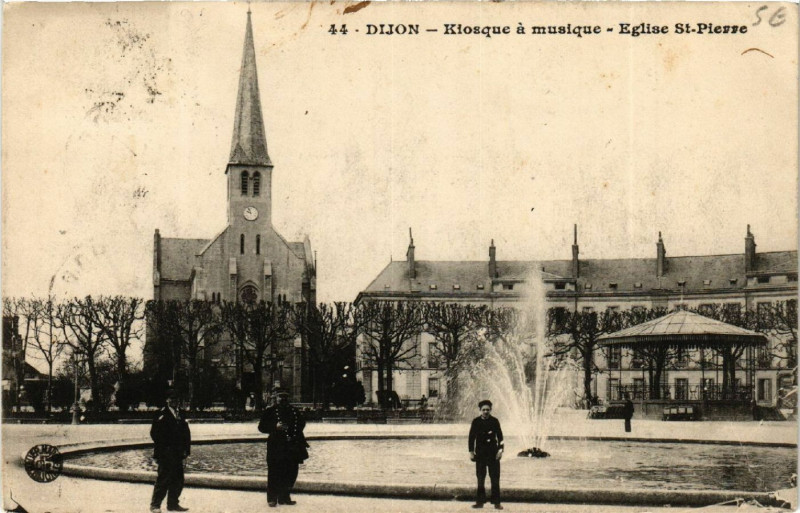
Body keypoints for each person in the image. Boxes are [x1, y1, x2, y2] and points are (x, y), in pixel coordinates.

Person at [258, 387, 308, 507]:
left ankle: (284, 497)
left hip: (292, 446)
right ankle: (272, 498)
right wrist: (275, 427)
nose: (283, 399)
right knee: (274, 472)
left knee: (291, 472)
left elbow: (301, 423)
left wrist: (294, 435)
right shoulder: (270, 411)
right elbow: (261, 427)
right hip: (277, 446)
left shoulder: (294, 411)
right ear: (276, 398)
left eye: (285, 397)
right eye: (280, 396)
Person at [150, 386, 191, 513]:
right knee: (163, 479)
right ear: (167, 400)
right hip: (166, 453)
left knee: (178, 480)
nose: (175, 401)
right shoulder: (161, 414)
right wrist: (164, 448)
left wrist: (186, 451)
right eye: (172, 399)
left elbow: (186, 433)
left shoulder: (181, 413)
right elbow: (154, 433)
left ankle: (173, 504)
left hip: (178, 453)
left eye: (177, 399)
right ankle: (155, 505)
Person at [468, 399, 504, 510]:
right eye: (483, 410)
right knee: (480, 478)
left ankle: (497, 502)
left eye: (487, 410)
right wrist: (471, 451)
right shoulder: (476, 422)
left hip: (493, 454)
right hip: (480, 454)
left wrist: (500, 451)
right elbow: (471, 438)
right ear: (480, 410)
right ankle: (480, 502)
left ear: (490, 410)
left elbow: (500, 437)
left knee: (495, 478)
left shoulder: (495, 421)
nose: (485, 412)